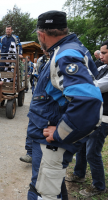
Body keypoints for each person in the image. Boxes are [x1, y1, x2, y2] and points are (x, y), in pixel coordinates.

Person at [27, 11, 102, 200]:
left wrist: (60, 133)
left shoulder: (65, 55)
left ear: (42, 35)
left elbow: (88, 102)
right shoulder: (71, 49)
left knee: (43, 194)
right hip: (51, 145)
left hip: (51, 145)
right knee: (55, 189)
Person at [65, 40, 108, 197]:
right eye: (100, 53)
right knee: (82, 146)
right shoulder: (103, 67)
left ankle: (98, 185)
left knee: (92, 152)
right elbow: (91, 76)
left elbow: (93, 85)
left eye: (104, 53)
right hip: (92, 115)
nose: (100, 56)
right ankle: (79, 174)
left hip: (103, 119)